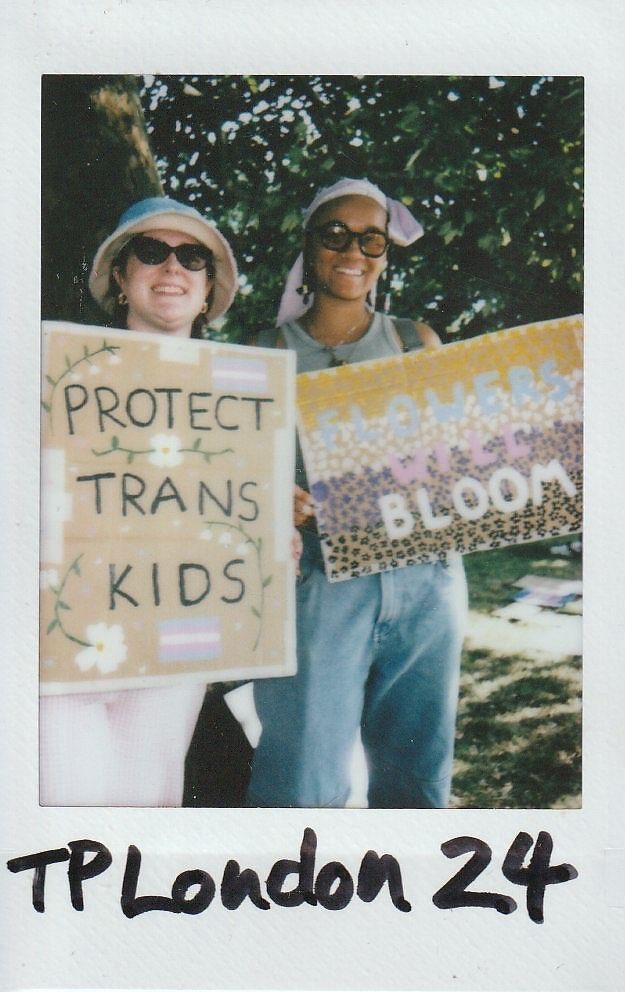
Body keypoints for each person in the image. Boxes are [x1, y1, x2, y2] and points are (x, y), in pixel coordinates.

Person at [247, 178, 468, 809]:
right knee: (301, 778)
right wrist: (269, 493)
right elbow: (233, 468)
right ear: (309, 246)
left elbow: (459, 457)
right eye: (335, 233)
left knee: (418, 775)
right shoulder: (264, 352)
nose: (354, 250)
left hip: (426, 578)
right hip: (320, 582)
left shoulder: (415, 340)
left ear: (386, 253)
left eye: (372, 238)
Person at [40, 196, 240, 806]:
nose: (171, 267)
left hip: (175, 633)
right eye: (150, 252)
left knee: (149, 799)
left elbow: (236, 513)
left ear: (208, 290)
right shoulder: (58, 376)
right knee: (62, 796)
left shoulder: (240, 399)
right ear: (122, 279)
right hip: (67, 630)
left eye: (192, 257)